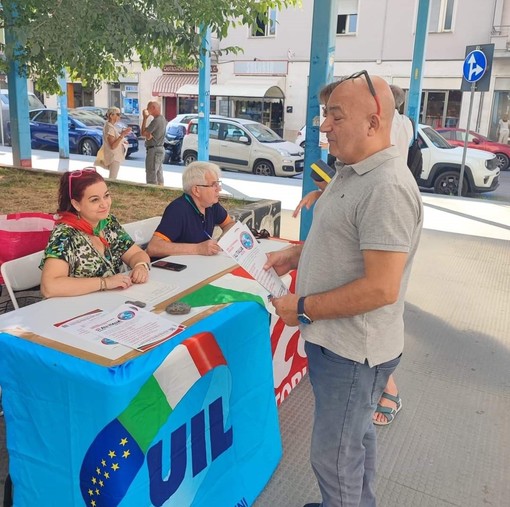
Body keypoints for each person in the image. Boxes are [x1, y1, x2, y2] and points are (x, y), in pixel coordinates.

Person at [264, 72, 423, 507]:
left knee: (334, 456)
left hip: (354, 351)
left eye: (335, 116)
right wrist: (295, 257)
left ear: (374, 122)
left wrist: (304, 308)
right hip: (344, 346)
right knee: (354, 442)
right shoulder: (352, 172)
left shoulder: (386, 187)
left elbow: (380, 287)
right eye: (324, 115)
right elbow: (344, 243)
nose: (323, 126)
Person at [40, 168, 151, 298]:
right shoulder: (65, 234)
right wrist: (105, 283)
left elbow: (136, 253)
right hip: (74, 309)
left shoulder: (108, 223)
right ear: (76, 204)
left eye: (106, 196)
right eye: (95, 200)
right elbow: (49, 287)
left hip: (109, 302)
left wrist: (140, 266)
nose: (104, 204)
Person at [146, 161, 234, 258]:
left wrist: (222, 242)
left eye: (218, 184)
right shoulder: (178, 210)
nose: (219, 189)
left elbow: (229, 224)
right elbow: (153, 248)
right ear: (196, 190)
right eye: (214, 185)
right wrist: (198, 249)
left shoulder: (212, 205)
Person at [101, 107, 131, 180]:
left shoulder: (110, 126)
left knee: (113, 177)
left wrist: (122, 139)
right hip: (113, 157)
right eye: (118, 114)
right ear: (111, 116)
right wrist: (122, 135)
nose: (119, 116)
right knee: (112, 179)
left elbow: (115, 140)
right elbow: (113, 146)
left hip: (114, 156)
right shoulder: (109, 127)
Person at [141, 101, 166, 185]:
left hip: (154, 149)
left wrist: (144, 118)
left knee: (151, 173)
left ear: (153, 108)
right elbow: (148, 133)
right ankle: (160, 190)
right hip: (159, 148)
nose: (147, 110)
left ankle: (151, 192)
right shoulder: (162, 119)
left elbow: (143, 133)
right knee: (158, 173)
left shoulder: (156, 121)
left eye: (148, 108)